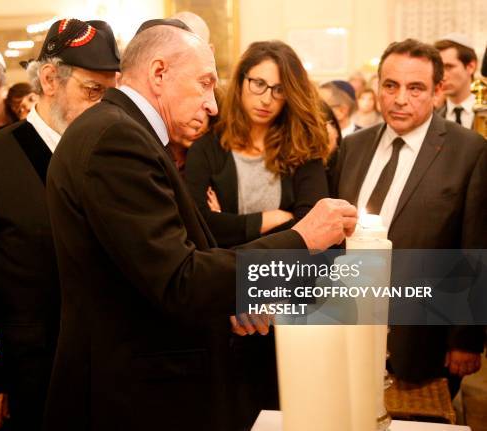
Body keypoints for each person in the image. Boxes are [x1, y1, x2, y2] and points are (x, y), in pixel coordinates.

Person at [45, 21, 357, 431]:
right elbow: (181, 280)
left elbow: (168, 262)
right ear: (159, 73)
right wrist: (303, 238)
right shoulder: (116, 140)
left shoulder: (124, 132)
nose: (213, 105)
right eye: (205, 84)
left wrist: (234, 301)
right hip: (133, 393)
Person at [0, 19, 119, 431]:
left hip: (104, 370)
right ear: (49, 79)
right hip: (27, 369)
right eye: (91, 91)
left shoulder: (112, 156)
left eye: (109, 96)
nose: (101, 108)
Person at [184, 40, 329, 426]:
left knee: (287, 412)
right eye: (258, 84)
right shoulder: (208, 147)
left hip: (286, 305)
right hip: (224, 304)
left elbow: (314, 231)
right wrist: (270, 219)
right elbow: (199, 226)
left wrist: (231, 225)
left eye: (279, 89)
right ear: (241, 82)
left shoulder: (303, 147)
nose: (267, 97)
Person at [334, 38, 486, 396]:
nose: (400, 98)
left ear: (437, 92)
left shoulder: (469, 152)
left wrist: (466, 337)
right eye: (391, 86)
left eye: (415, 88)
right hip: (351, 328)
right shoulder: (353, 147)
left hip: (424, 337)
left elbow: (476, 248)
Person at [434, 33, 478, 129]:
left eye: (449, 67)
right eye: (439, 68)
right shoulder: (432, 119)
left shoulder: (483, 111)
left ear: (471, 67)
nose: (442, 76)